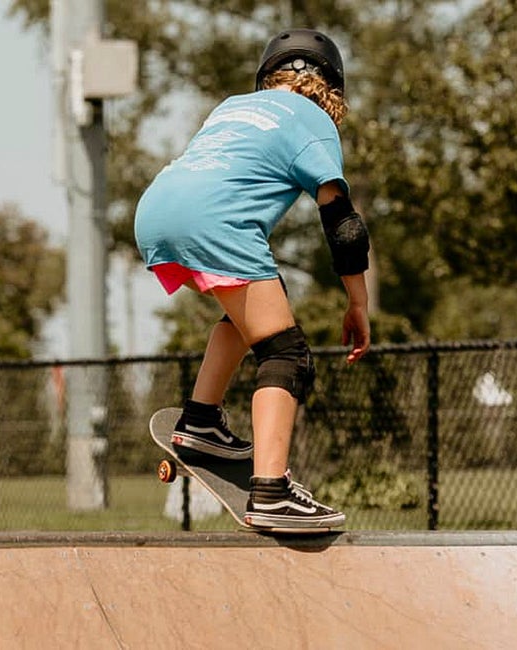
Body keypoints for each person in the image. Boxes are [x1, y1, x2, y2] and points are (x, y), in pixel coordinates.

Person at [134, 28, 371, 532]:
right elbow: (343, 226)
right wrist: (358, 304)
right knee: (285, 353)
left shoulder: (233, 106)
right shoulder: (315, 121)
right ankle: (272, 491)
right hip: (214, 219)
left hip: (157, 206)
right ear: (332, 86)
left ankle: (200, 422)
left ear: (269, 76)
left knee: (254, 314)